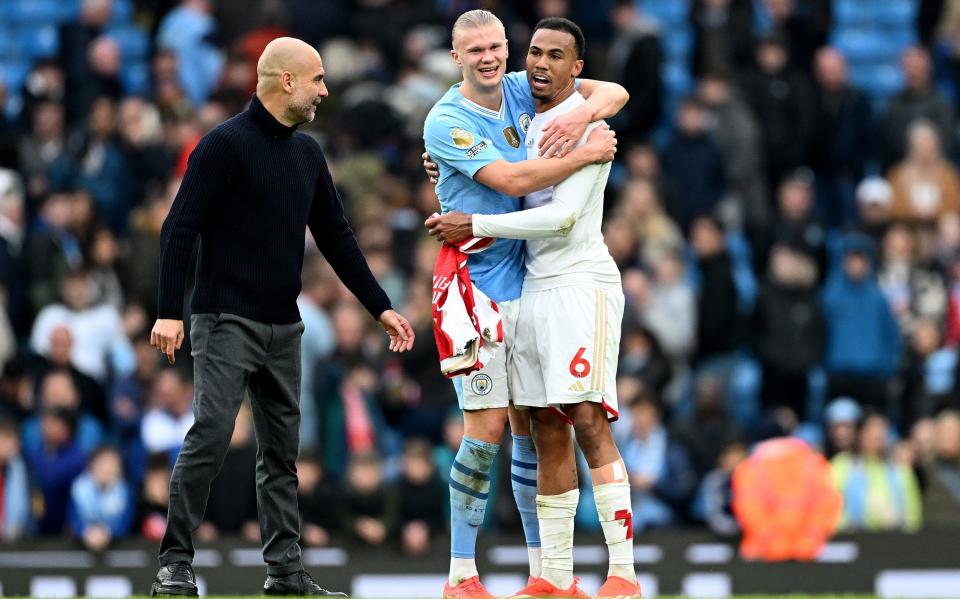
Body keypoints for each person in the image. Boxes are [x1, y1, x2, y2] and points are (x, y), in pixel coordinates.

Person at [148, 37, 414, 597]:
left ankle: (285, 570)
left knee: (281, 453)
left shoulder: (308, 154)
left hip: (283, 325)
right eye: (317, 78)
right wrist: (169, 311)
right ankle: (175, 562)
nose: (324, 89)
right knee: (214, 435)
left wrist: (380, 307)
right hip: (224, 318)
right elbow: (179, 228)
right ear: (286, 81)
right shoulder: (222, 145)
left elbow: (337, 237)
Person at [426, 17, 639, 599]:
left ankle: (597, 573)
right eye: (476, 50)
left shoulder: (529, 92)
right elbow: (515, 175)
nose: (495, 58)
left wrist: (582, 117)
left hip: (556, 283)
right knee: (500, 428)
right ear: (455, 56)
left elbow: (612, 91)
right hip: (477, 287)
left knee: (562, 422)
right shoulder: (447, 119)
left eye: (498, 47)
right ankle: (465, 574)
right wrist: (585, 142)